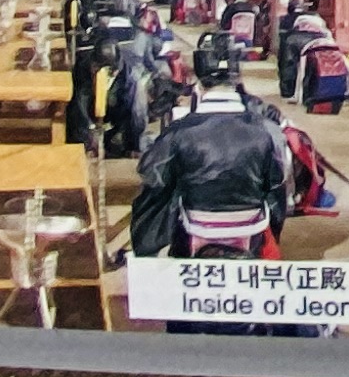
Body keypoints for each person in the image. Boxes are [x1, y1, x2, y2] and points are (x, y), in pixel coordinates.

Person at [124, 70, 316, 338]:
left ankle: (183, 325)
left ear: (200, 89)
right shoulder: (265, 129)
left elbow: (153, 178)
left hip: (196, 228)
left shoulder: (180, 131)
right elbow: (277, 184)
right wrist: (273, 225)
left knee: (160, 202)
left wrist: (146, 243)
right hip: (250, 228)